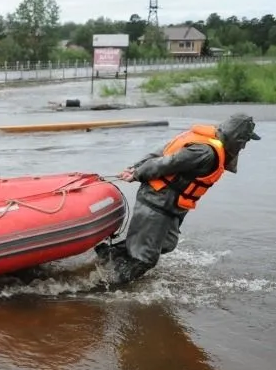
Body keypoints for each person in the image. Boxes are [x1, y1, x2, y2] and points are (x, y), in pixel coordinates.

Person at [96, 113, 261, 285]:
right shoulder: (205, 151)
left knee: (167, 243)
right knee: (145, 259)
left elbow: (161, 152)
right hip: (156, 200)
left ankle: (108, 254)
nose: (244, 146)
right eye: (244, 141)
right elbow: (166, 163)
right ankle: (105, 287)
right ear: (236, 137)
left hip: (172, 205)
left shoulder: (210, 143)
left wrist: (136, 167)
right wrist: (136, 172)